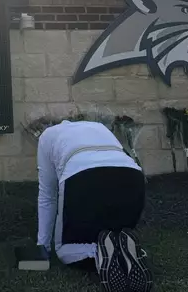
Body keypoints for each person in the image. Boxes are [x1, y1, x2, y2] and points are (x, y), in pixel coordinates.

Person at [36, 119, 153, 292]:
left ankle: (97, 253)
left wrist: (42, 247)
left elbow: (48, 196)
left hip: (83, 177)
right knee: (113, 233)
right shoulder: (98, 126)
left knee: (63, 250)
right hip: (132, 178)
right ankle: (125, 251)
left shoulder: (46, 136)